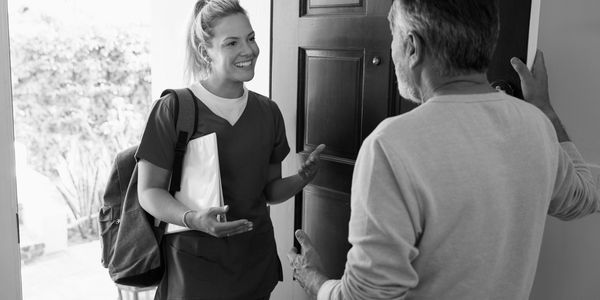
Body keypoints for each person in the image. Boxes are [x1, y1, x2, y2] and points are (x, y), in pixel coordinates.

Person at [288, 0, 600, 299]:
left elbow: (368, 297)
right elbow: (585, 198)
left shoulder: (391, 145)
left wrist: (313, 278)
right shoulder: (537, 126)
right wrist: (546, 111)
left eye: (392, 36)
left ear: (412, 46)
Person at [136, 1, 324, 299]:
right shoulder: (173, 109)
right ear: (204, 51)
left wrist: (301, 179)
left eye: (251, 38)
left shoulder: (268, 112)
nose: (248, 50)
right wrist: (192, 218)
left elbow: (269, 192)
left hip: (253, 264)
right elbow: (148, 193)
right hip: (194, 271)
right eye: (232, 43)